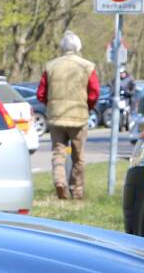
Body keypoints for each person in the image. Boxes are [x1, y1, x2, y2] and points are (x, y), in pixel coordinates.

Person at [36, 31, 100, 199]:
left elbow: (41, 94)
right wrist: (88, 107)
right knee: (78, 156)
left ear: (62, 48)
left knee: (58, 153)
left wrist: (51, 106)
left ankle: (59, 181)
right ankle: (77, 190)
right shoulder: (87, 66)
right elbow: (94, 93)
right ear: (78, 47)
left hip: (56, 117)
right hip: (79, 118)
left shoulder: (50, 66)